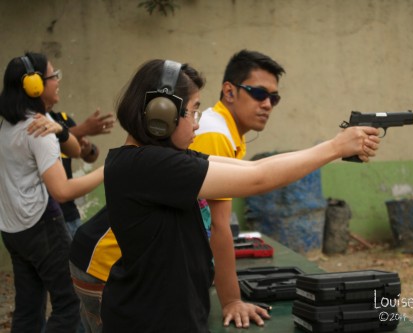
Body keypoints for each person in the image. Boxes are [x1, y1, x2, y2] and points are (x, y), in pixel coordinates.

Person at [99, 58, 381, 332]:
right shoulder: (149, 165)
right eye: (193, 111)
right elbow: (257, 180)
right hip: (150, 321)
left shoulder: (152, 159)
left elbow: (256, 168)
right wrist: (334, 147)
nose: (197, 123)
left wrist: (334, 147)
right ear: (162, 114)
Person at [0, 52, 104, 332]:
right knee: (70, 306)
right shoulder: (38, 130)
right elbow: (62, 190)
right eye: (52, 75)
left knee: (28, 308)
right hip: (43, 227)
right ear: (34, 85)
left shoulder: (11, 125)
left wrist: (60, 129)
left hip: (13, 230)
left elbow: (72, 149)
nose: (57, 80)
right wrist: (107, 171)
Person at [189, 49, 285, 328]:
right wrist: (231, 301)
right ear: (229, 92)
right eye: (258, 93)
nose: (267, 104)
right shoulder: (214, 134)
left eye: (274, 98)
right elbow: (218, 226)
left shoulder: (222, 130)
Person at [50, 108, 115, 237]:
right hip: (48, 216)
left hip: (69, 213)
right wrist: (82, 129)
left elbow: (89, 155)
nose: (57, 86)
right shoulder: (36, 122)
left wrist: (88, 148)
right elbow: (51, 138)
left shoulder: (62, 118)